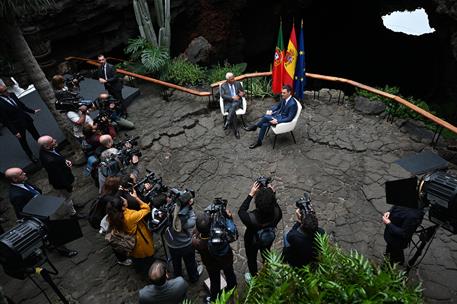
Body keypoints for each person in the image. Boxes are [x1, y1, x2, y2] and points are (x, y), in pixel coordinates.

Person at [5, 167, 78, 257]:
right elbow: (22, 212)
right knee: (53, 233)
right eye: (21, 173)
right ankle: (63, 251)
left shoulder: (22, 181)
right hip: (38, 217)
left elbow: (35, 191)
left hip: (42, 208)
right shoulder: (16, 195)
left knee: (52, 231)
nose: (25, 173)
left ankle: (49, 244)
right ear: (14, 179)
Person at [238, 181, 282, 282]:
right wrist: (272, 194)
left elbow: (241, 211)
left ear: (256, 202)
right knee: (266, 253)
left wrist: (251, 194)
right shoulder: (277, 213)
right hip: (268, 239)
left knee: (252, 259)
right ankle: (266, 268)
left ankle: (254, 276)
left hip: (252, 241)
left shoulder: (250, 219)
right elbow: (274, 204)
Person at [192, 212, 237, 302]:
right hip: (226, 260)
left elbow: (193, 237)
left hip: (211, 265)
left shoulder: (198, 243)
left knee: (215, 281)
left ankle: (214, 298)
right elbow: (232, 232)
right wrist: (229, 218)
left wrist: (196, 232)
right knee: (230, 273)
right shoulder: (221, 233)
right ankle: (232, 287)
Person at [105, 192, 154, 271]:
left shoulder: (113, 216)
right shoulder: (130, 217)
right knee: (146, 259)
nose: (125, 199)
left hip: (130, 242)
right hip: (140, 242)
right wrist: (136, 198)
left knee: (137, 258)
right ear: (123, 207)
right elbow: (147, 209)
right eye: (123, 200)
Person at [164, 192, 203, 283]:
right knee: (190, 262)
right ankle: (194, 277)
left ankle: (178, 277)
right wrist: (189, 207)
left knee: (176, 263)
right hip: (185, 245)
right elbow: (193, 219)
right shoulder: (185, 221)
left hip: (171, 244)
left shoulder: (168, 210)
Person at [245, 84, 298, 149]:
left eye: (284, 93)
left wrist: (277, 121)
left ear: (289, 93)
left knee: (265, 117)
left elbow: (290, 118)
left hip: (282, 120)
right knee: (264, 124)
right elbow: (277, 106)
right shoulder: (284, 98)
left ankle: (255, 126)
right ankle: (259, 142)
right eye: (282, 92)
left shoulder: (293, 104)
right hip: (277, 116)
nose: (282, 94)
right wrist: (271, 111)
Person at [0, 84, 41, 162]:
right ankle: (31, 155)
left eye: (6, 89)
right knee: (23, 142)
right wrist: (15, 132)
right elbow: (5, 120)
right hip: (17, 125)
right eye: (5, 91)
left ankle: (45, 146)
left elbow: (21, 105)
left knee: (36, 134)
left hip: (26, 119)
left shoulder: (12, 94)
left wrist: (32, 111)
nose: (7, 92)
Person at [220, 72, 245, 139]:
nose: (233, 80)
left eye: (233, 78)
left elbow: (243, 92)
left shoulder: (238, 83)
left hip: (237, 101)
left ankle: (227, 122)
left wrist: (242, 94)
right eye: (231, 79)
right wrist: (232, 98)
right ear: (227, 80)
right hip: (229, 103)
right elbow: (223, 96)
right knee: (233, 111)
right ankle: (236, 131)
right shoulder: (223, 85)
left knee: (233, 106)